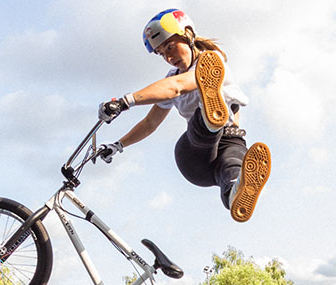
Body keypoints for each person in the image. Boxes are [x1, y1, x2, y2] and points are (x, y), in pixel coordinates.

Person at [96, 8, 271, 223]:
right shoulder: (172, 76)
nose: (169, 57)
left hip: (230, 141)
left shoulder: (212, 62)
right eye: (162, 53)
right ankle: (209, 119)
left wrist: (125, 101)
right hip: (194, 157)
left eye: (170, 46)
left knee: (233, 168)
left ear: (188, 34)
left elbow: (177, 87)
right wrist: (118, 145)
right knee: (203, 127)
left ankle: (236, 194)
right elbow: (150, 123)